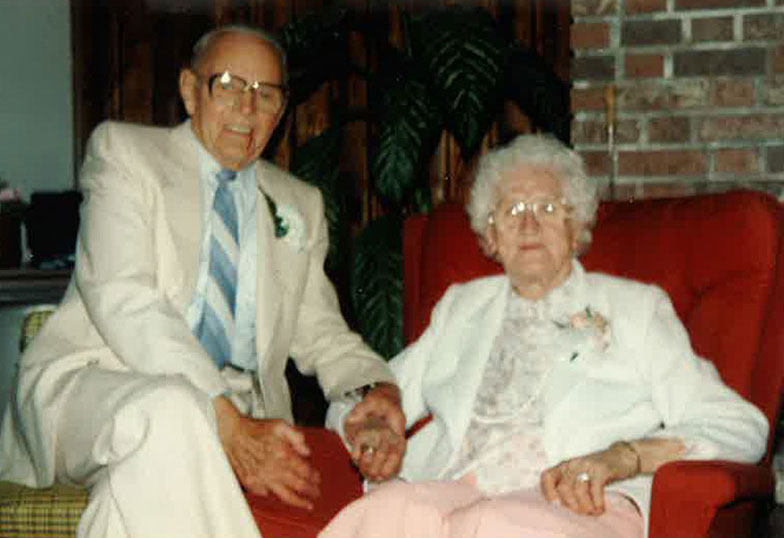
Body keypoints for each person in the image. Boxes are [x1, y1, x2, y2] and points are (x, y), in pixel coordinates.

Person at [0, 25, 404, 538]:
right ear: (191, 91)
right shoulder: (125, 155)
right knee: (172, 410)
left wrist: (377, 390)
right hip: (94, 389)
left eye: (266, 95)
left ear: (281, 113)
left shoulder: (299, 203)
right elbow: (125, 299)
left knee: (131, 498)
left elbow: (321, 333)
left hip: (226, 417)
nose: (247, 108)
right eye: (230, 85)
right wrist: (225, 420)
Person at [320, 134, 768, 538]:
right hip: (458, 483)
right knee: (388, 511)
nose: (529, 226)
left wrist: (624, 457)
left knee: (494, 526)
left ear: (577, 229)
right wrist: (375, 424)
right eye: (512, 211)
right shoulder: (463, 306)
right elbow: (365, 389)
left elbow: (740, 426)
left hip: (579, 502)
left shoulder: (635, 308)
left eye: (548, 209)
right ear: (491, 235)